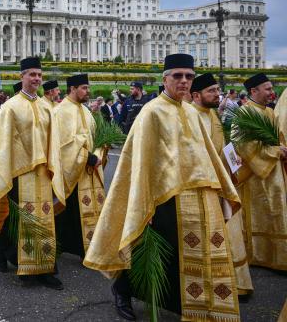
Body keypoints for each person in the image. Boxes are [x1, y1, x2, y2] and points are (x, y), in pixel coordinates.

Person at [84, 54, 241, 321]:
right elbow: (141, 162)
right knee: (150, 248)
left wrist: (221, 188)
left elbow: (206, 155)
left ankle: (191, 303)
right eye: (177, 75)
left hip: (199, 196)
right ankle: (121, 290)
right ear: (165, 79)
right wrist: (145, 203)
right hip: (165, 198)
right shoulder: (151, 111)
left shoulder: (191, 111)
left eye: (189, 76)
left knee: (189, 253)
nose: (183, 81)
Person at [0, 57, 63, 290]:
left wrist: (53, 166)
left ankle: (46, 268)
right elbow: (2, 142)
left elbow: (53, 141)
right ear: (22, 77)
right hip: (19, 172)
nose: (37, 78)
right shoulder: (10, 107)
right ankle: (20, 265)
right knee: (17, 220)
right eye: (32, 74)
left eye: (39, 74)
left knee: (45, 220)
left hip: (42, 172)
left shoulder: (46, 106)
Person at [190, 73, 253, 296]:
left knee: (231, 233)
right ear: (196, 95)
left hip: (223, 184)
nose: (218, 94)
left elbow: (224, 147)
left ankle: (238, 283)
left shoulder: (213, 115)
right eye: (212, 91)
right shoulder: (191, 117)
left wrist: (236, 167)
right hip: (207, 186)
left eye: (218, 90)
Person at [233, 73, 287, 272]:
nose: (272, 93)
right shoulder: (244, 113)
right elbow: (244, 145)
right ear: (254, 91)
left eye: (272, 89)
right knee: (260, 213)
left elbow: (278, 137)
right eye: (268, 89)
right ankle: (258, 255)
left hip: (275, 172)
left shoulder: (269, 112)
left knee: (277, 210)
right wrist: (276, 151)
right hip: (256, 175)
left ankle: (278, 256)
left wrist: (282, 147)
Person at [53, 74, 105, 260]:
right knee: (70, 211)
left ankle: (87, 247)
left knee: (85, 210)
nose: (87, 91)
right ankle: (64, 246)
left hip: (88, 170)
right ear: (73, 89)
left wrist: (98, 153)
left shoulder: (86, 110)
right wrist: (87, 157)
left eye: (88, 88)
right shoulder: (62, 111)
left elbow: (96, 136)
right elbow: (64, 144)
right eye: (84, 88)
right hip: (73, 170)